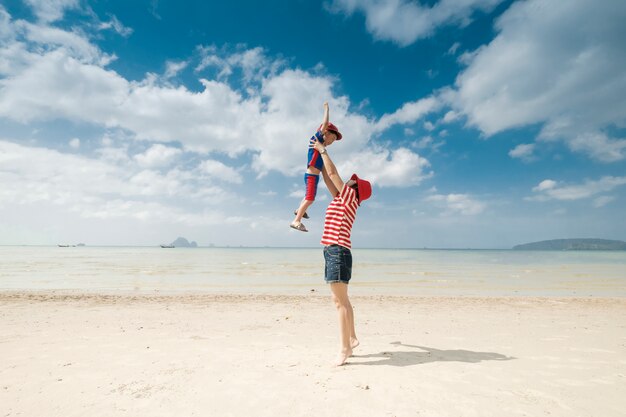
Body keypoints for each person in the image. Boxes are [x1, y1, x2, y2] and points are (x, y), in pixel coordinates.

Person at [312, 137, 372, 366]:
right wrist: (317, 160)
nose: (349, 181)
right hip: (336, 251)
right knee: (344, 301)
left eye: (353, 182)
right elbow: (329, 178)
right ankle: (353, 338)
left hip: (337, 251)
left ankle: (345, 349)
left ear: (356, 191)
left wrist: (324, 151)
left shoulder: (349, 198)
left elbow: (334, 174)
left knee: (339, 303)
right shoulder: (341, 198)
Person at [290, 102, 342, 232]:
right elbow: (325, 124)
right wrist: (326, 109)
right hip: (311, 176)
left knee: (308, 196)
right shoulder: (315, 140)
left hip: (314, 176)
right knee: (310, 198)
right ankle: (296, 221)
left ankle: (299, 211)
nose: (332, 142)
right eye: (332, 138)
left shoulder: (322, 148)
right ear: (326, 133)